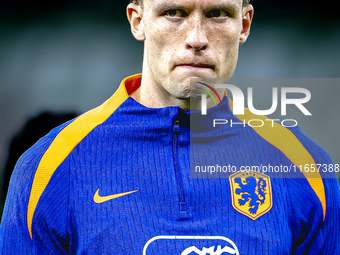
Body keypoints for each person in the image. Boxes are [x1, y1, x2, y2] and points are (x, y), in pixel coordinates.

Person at [0, 0, 339, 254]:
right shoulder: (48, 169)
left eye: (217, 13)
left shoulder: (304, 170)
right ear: (138, 21)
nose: (196, 38)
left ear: (245, 24)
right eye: (174, 12)